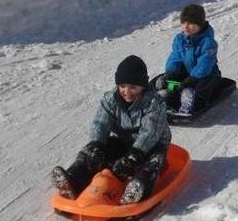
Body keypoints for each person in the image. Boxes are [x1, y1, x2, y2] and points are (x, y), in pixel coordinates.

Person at [51, 55, 170, 204]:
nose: (127, 91)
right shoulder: (110, 100)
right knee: (92, 153)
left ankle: (138, 188)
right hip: (123, 140)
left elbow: (150, 132)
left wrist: (134, 155)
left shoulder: (154, 104)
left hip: (152, 145)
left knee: (153, 162)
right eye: (122, 86)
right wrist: (96, 144)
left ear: (143, 86)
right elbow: (101, 123)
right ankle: (73, 179)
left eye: (133, 87)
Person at [155, 4, 221, 115]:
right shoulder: (179, 39)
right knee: (164, 80)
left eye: (190, 23)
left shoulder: (208, 42)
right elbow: (175, 57)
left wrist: (193, 78)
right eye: (183, 22)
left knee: (203, 84)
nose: (186, 26)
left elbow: (205, 65)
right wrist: (169, 73)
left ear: (200, 25)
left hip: (206, 75)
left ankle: (193, 101)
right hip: (187, 75)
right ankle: (164, 95)